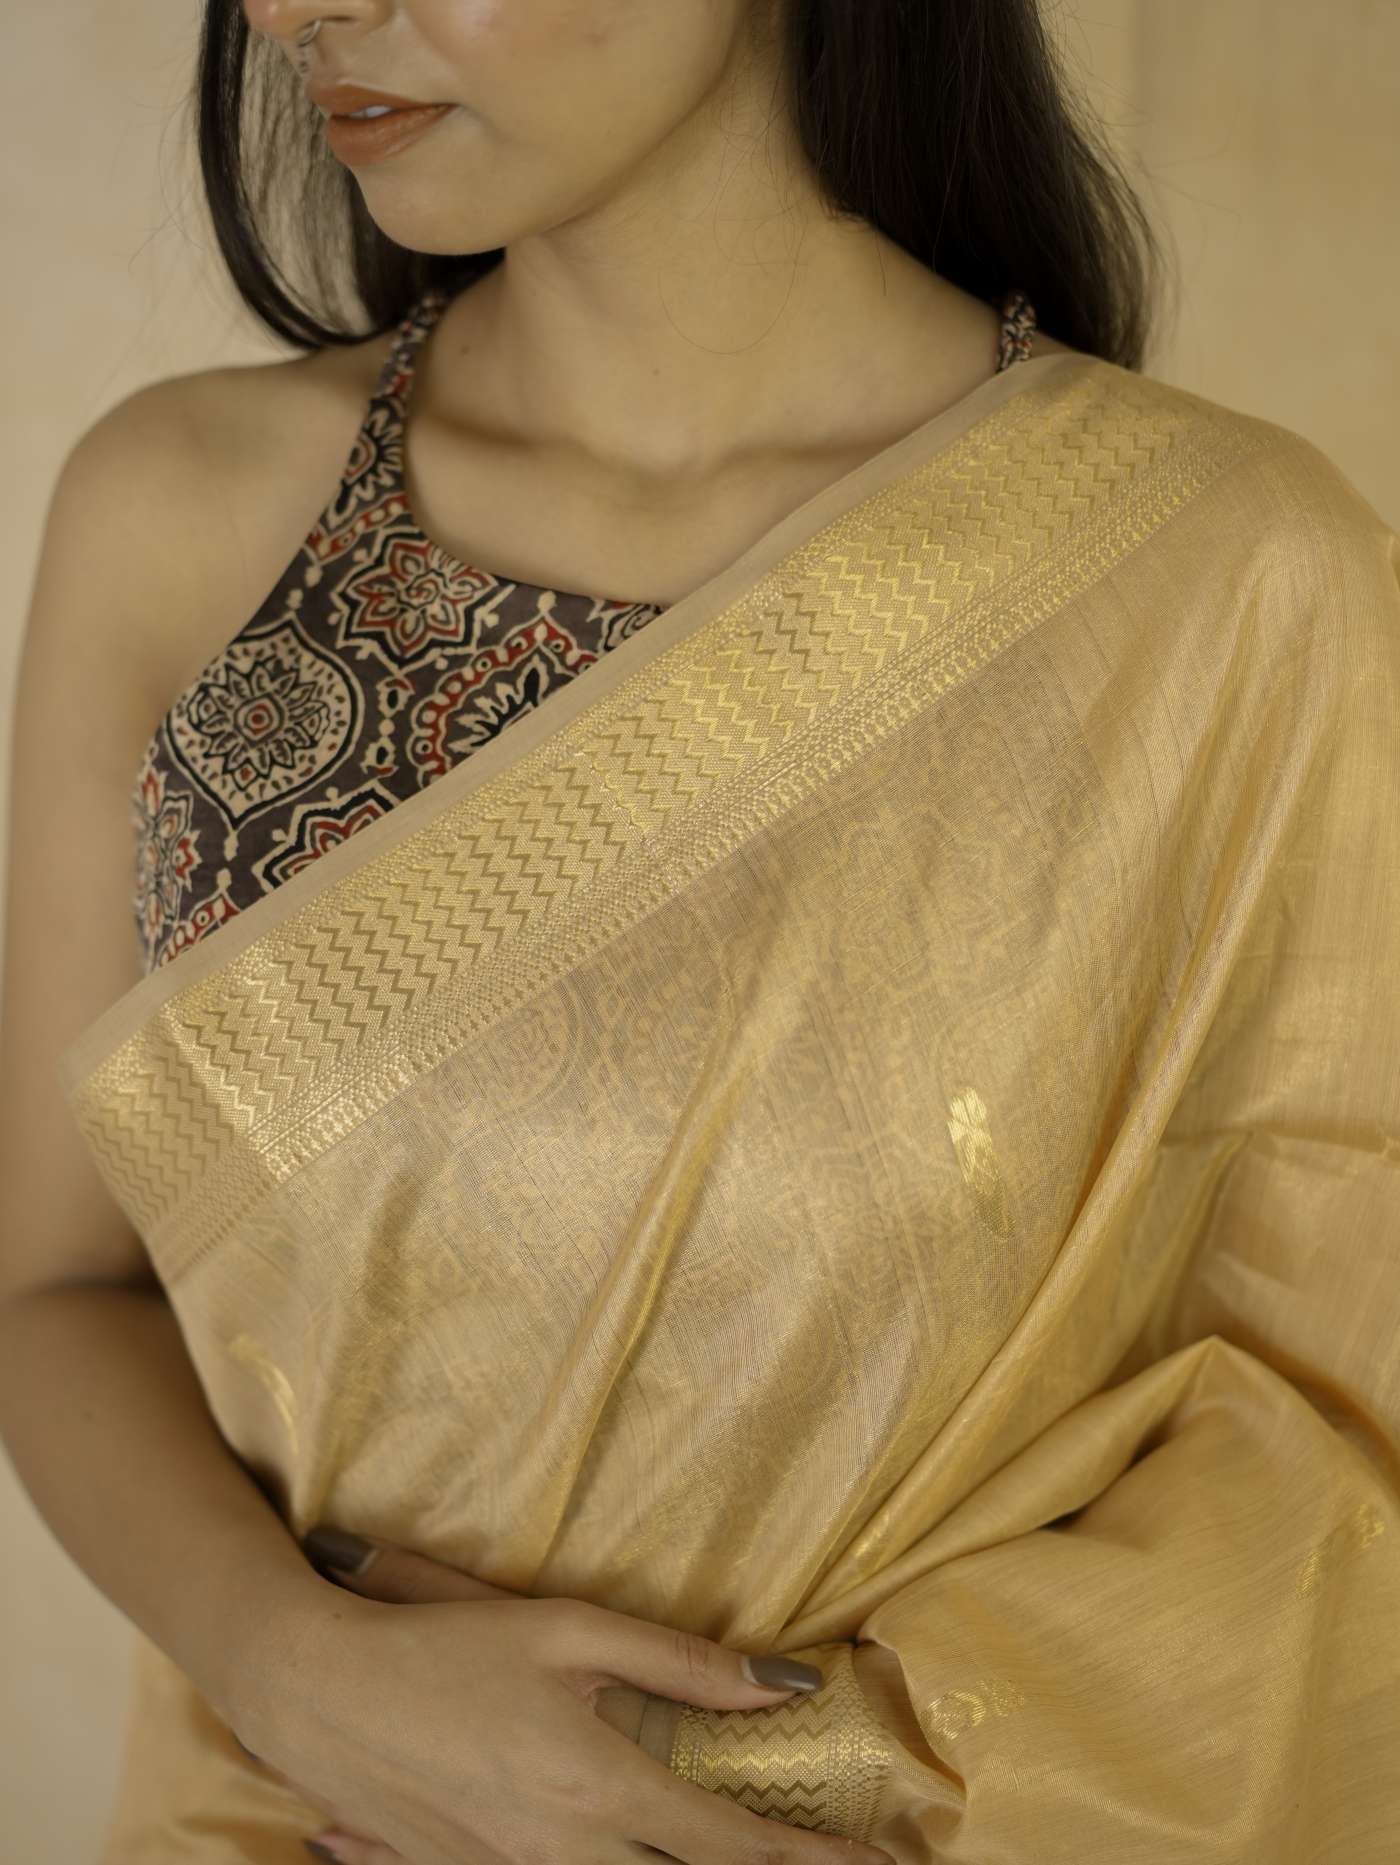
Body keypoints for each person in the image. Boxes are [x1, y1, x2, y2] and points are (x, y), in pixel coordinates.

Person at [1, 2, 1396, 1861]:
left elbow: (1337, 1453)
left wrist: (773, 1774)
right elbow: (52, 1289)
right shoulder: (188, 518)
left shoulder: (1229, 590)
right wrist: (292, 1663)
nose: (294, 9)